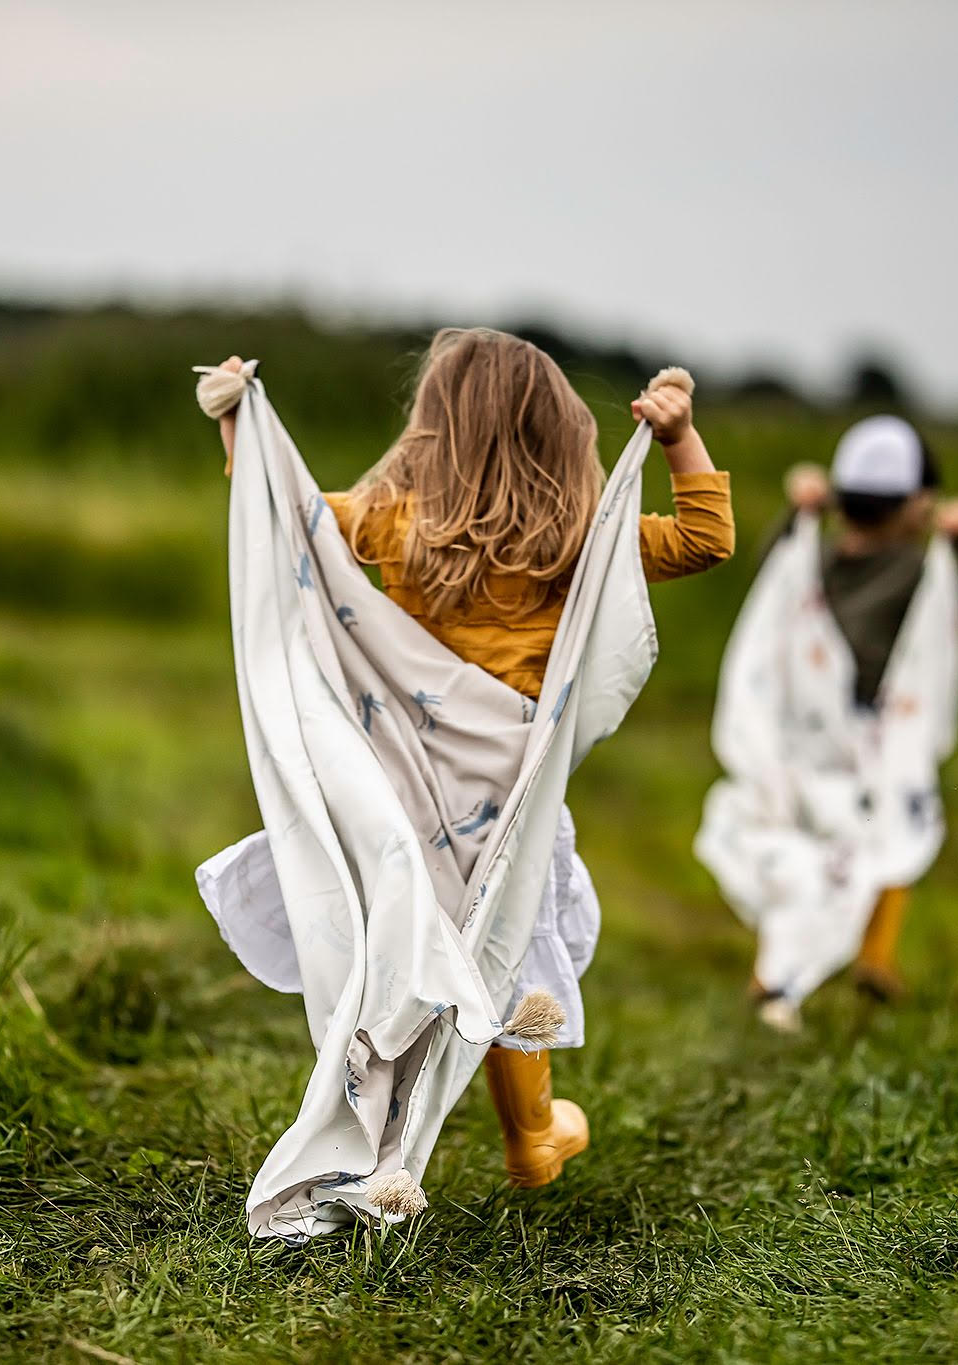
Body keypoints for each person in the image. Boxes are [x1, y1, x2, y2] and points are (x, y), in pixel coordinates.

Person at [204, 330, 734, 1205]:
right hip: (507, 803)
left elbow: (277, 518)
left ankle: (371, 1127)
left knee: (407, 954)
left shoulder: (396, 521)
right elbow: (707, 537)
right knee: (508, 945)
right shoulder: (580, 540)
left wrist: (240, 423)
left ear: (431, 427)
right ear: (559, 431)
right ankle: (531, 1136)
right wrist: (677, 436)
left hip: (408, 791)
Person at [695, 415, 958, 1030]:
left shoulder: (819, 560)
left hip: (803, 737)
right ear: (915, 503)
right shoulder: (916, 570)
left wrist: (798, 515)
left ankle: (782, 969)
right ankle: (869, 956)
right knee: (896, 834)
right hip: (876, 740)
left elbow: (773, 578)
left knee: (804, 848)